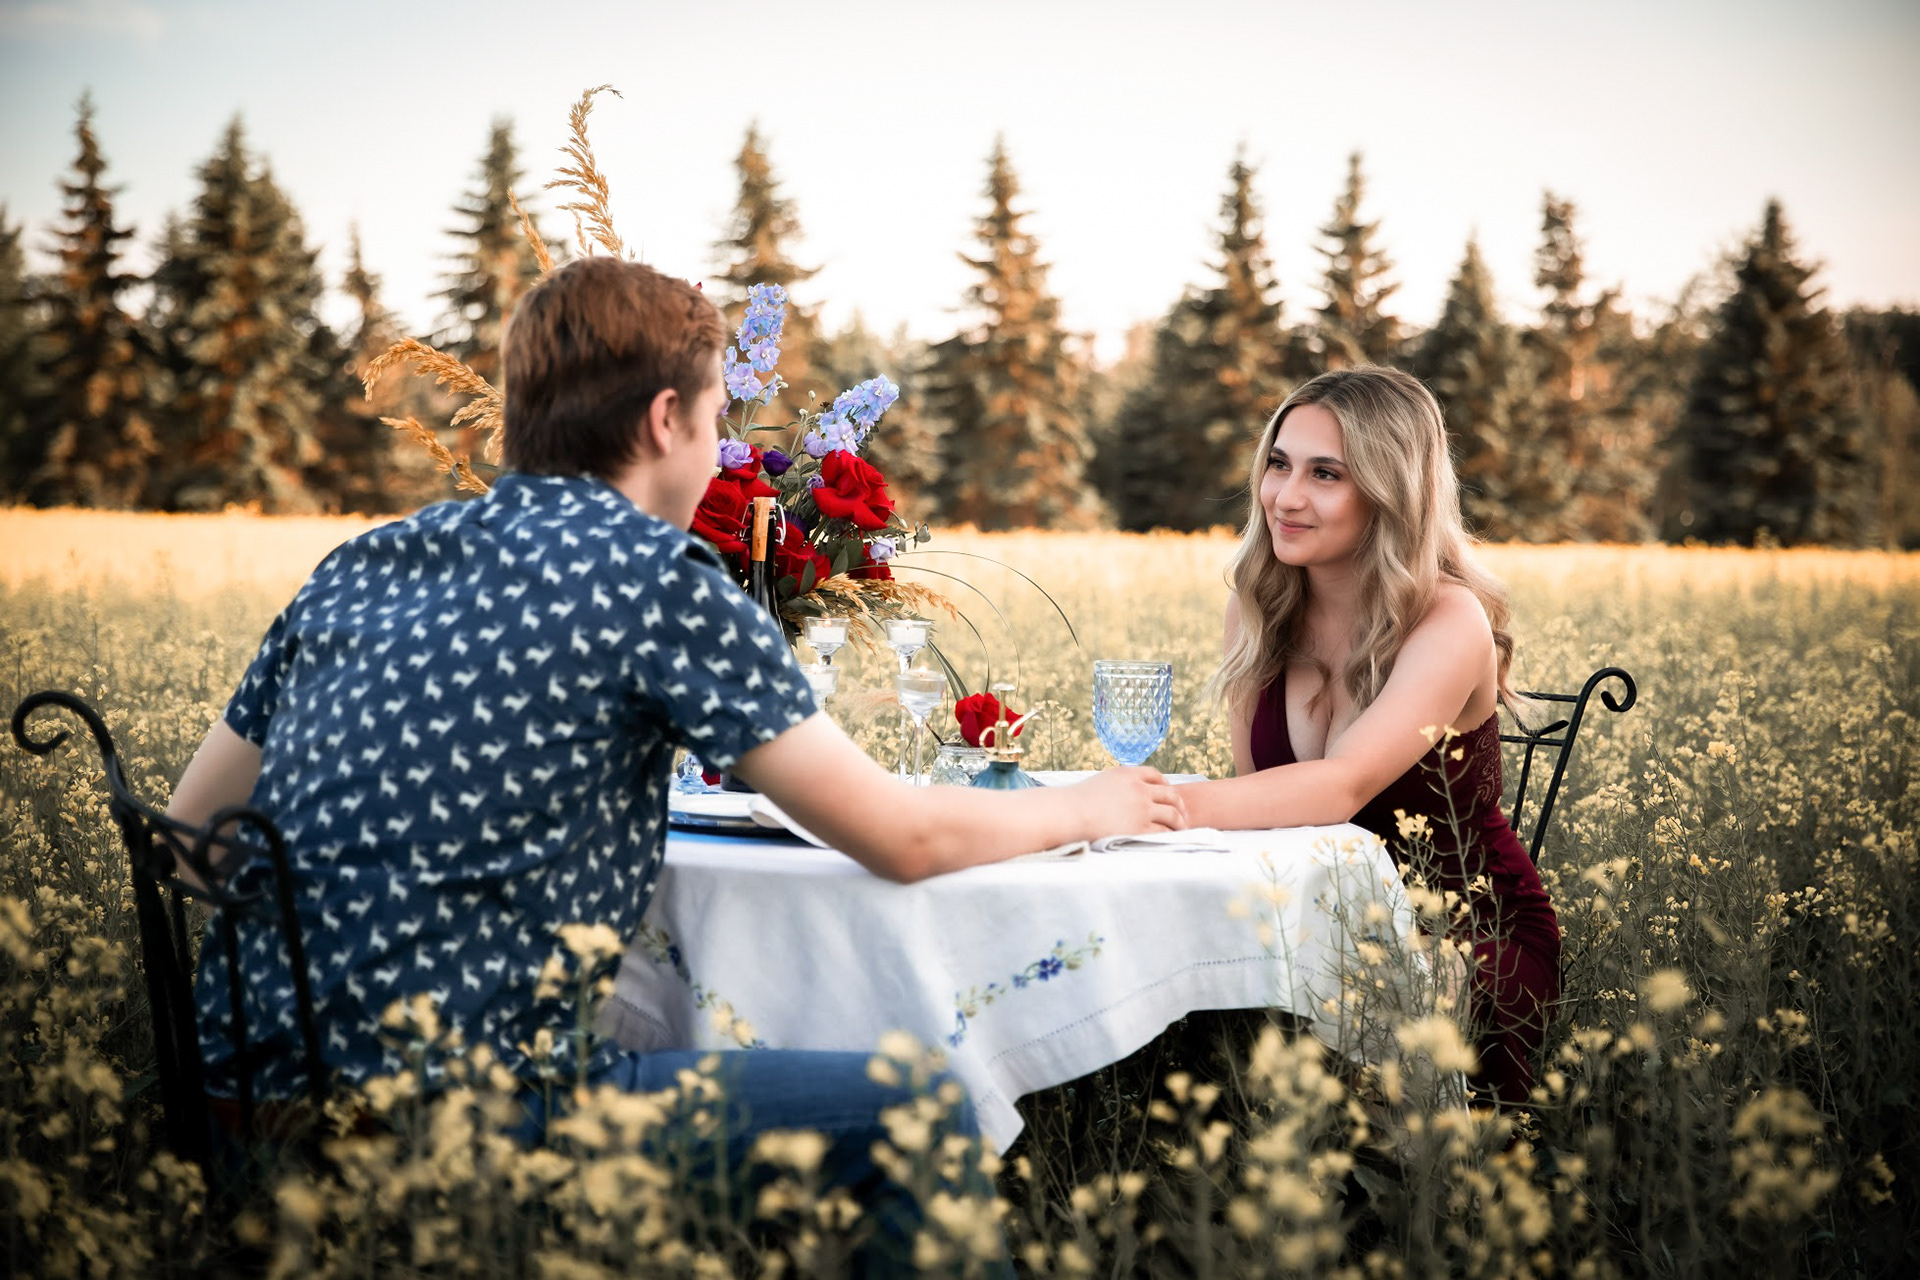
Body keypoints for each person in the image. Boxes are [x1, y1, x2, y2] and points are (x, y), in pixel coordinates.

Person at [164, 255, 1187, 1266]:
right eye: (711, 424)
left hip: (241, 1113)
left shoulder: (361, 562)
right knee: (912, 1111)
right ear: (666, 420)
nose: (710, 456)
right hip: (469, 1128)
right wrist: (1090, 803)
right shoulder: (653, 575)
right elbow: (902, 835)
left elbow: (192, 843)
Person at [1179, 365, 1558, 1108]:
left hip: (1463, 937)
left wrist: (1153, 803)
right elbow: (1268, 812)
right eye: (1279, 464)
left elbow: (1340, 786)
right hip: (1322, 923)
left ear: (1390, 490)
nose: (1286, 497)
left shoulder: (1447, 620)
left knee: (1350, 1023)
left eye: (1326, 474)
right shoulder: (1256, 610)